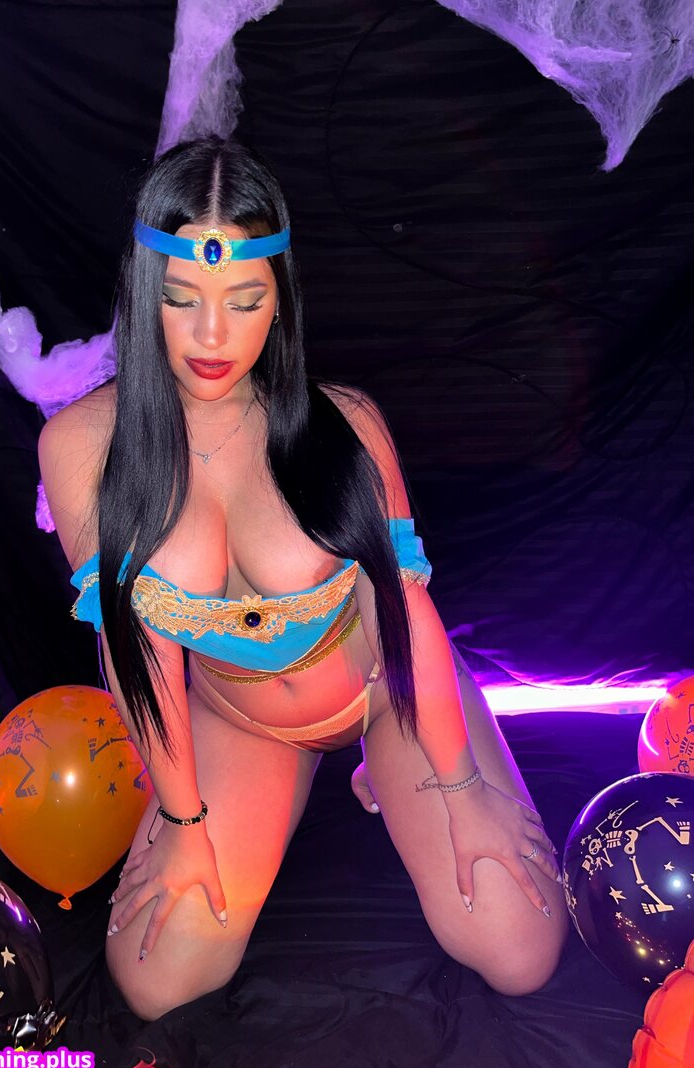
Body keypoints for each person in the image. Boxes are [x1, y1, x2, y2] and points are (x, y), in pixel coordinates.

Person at [37, 136, 568, 1022]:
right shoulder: (81, 450)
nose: (213, 336)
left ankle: (392, 771)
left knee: (519, 951)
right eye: (181, 299)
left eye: (244, 301)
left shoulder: (346, 423)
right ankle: (285, 789)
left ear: (279, 298)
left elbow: (406, 615)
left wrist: (463, 790)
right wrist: (184, 822)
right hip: (239, 719)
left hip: (386, 691)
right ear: (143, 288)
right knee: (157, 980)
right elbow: (138, 658)